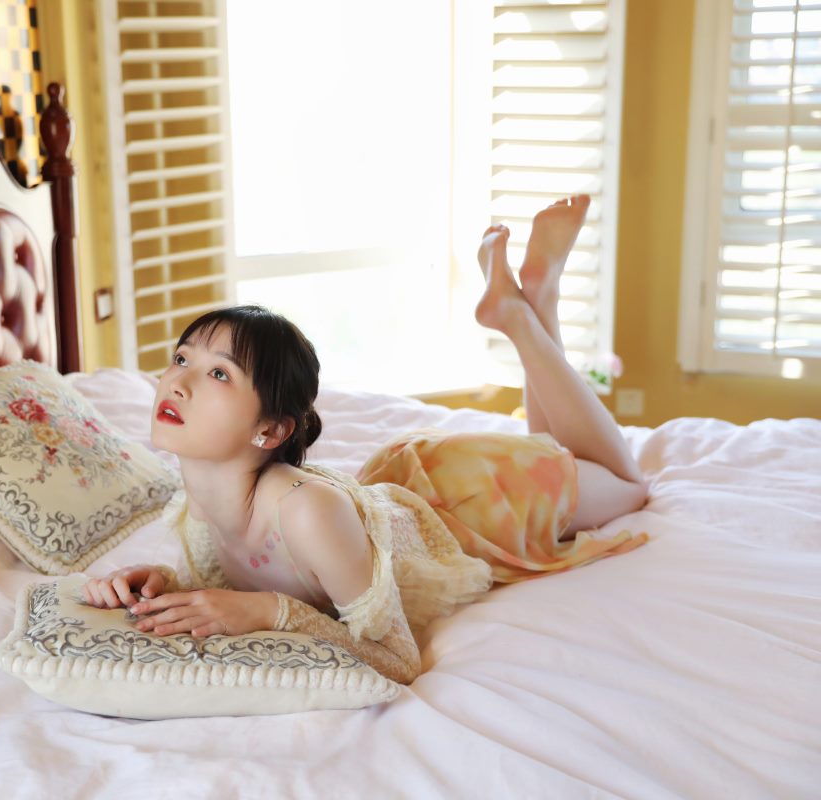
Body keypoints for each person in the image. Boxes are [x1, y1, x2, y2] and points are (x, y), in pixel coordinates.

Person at [82, 195, 650, 684]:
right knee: (558, 453)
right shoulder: (201, 503)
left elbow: (398, 659)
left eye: (218, 373)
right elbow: (232, 581)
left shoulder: (305, 510)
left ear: (270, 431)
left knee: (626, 484)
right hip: (406, 492)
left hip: (474, 504)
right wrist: (162, 586)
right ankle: (536, 298)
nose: (176, 382)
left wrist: (270, 612)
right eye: (182, 359)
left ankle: (524, 318)